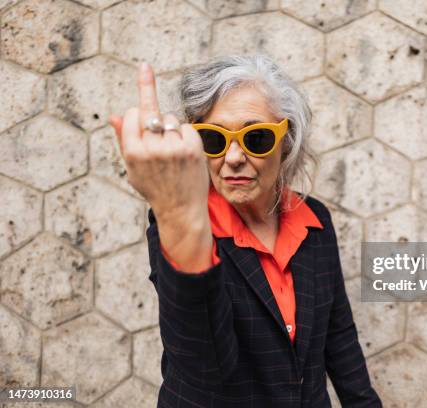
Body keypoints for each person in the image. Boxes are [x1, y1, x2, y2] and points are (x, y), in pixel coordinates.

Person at [109, 54, 382, 407]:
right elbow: (204, 363)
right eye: (213, 140)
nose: (234, 157)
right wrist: (177, 212)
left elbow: (338, 337)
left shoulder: (314, 219)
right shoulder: (182, 226)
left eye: (255, 138)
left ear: (286, 142)